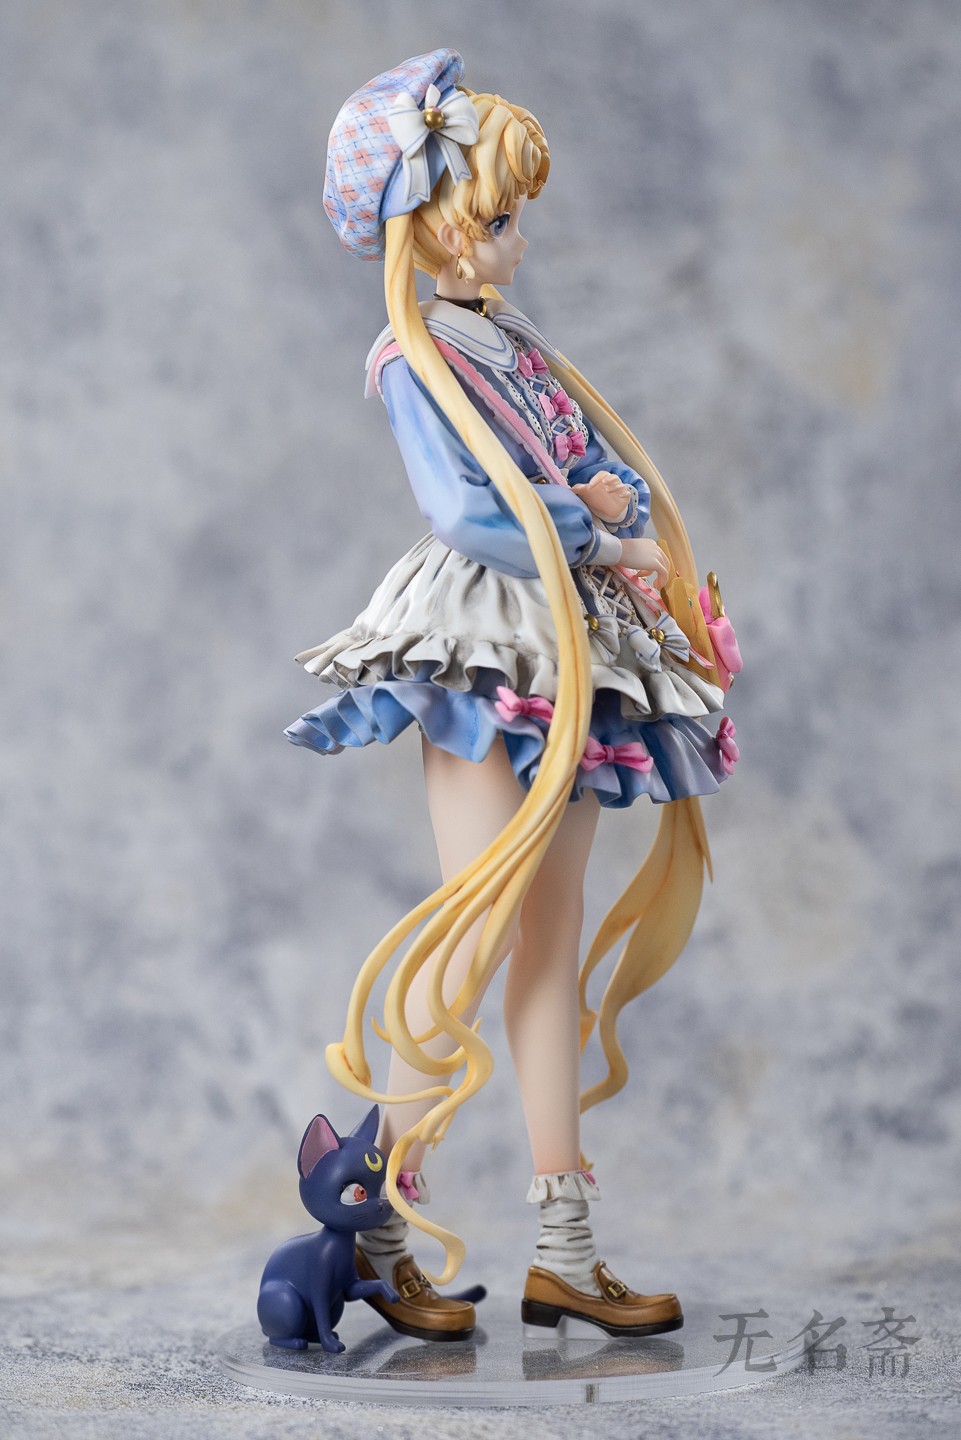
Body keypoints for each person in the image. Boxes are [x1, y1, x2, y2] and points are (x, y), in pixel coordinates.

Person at [285, 49, 740, 1342]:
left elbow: (594, 463)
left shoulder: (510, 339)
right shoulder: (412, 353)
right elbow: (467, 512)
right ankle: (373, 1220)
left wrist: (614, 513)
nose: (515, 239)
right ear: (432, 227)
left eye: (513, 216)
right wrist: (592, 525)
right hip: (491, 636)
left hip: (569, 635)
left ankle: (564, 1248)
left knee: (548, 936)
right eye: (494, 218)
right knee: (475, 930)